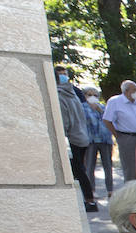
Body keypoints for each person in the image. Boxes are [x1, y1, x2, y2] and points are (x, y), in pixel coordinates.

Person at [54, 67, 97, 212]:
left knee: (77, 170)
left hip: (72, 138)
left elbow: (64, 120)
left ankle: (89, 200)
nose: (64, 77)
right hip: (82, 136)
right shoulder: (73, 93)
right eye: (61, 75)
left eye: (65, 74)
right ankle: (87, 198)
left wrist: (64, 137)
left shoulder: (62, 95)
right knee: (79, 170)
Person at [103, 79, 136, 185]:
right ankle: (131, 193)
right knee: (131, 168)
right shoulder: (115, 101)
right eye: (134, 90)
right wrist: (118, 136)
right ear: (126, 91)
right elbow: (107, 120)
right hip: (127, 138)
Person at [82, 86, 114, 197]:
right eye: (89, 95)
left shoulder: (103, 108)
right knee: (90, 166)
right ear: (85, 96)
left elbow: (110, 121)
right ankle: (91, 190)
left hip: (105, 140)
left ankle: (110, 190)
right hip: (90, 140)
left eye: (95, 95)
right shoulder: (82, 108)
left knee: (108, 166)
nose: (92, 97)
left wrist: (100, 111)